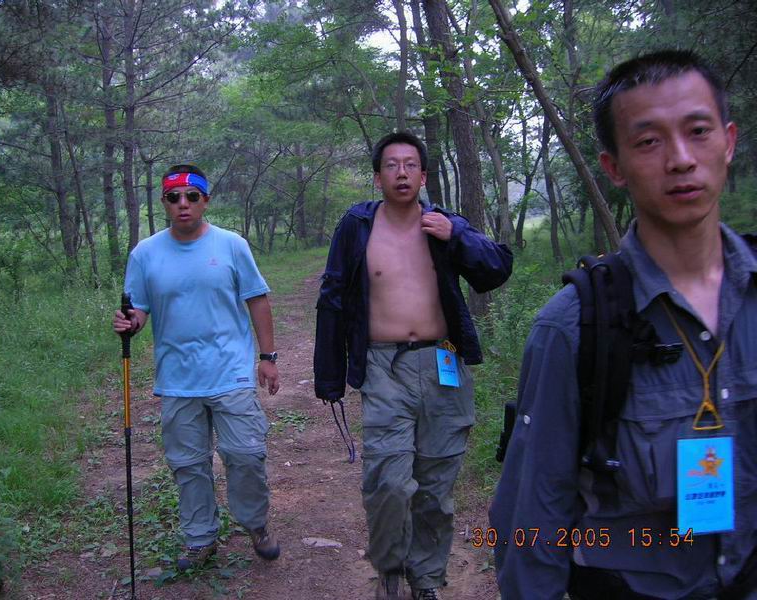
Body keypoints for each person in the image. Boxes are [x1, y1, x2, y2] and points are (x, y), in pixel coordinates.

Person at [491, 50, 757, 599]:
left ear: (728, 141)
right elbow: (530, 524)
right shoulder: (574, 327)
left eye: (698, 131)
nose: (681, 159)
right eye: (649, 141)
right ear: (614, 168)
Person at [314, 131, 513, 600]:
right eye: (391, 165)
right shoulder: (358, 226)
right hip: (383, 366)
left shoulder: (444, 224)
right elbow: (333, 297)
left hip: (442, 362)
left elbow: (497, 269)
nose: (401, 173)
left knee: (434, 487)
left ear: (423, 176)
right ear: (377, 176)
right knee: (387, 480)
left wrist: (458, 236)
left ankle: (425, 579)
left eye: (410, 165)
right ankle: (389, 567)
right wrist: (329, 375)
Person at [112, 164, 281, 570]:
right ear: (164, 202)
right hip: (177, 378)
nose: (183, 204)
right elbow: (139, 309)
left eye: (192, 196)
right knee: (188, 465)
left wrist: (267, 358)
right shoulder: (145, 253)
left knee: (245, 454)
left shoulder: (231, 245)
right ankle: (200, 537)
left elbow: (257, 299)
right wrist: (130, 323)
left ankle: (255, 524)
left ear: (205, 200)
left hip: (230, 372)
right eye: (174, 197)